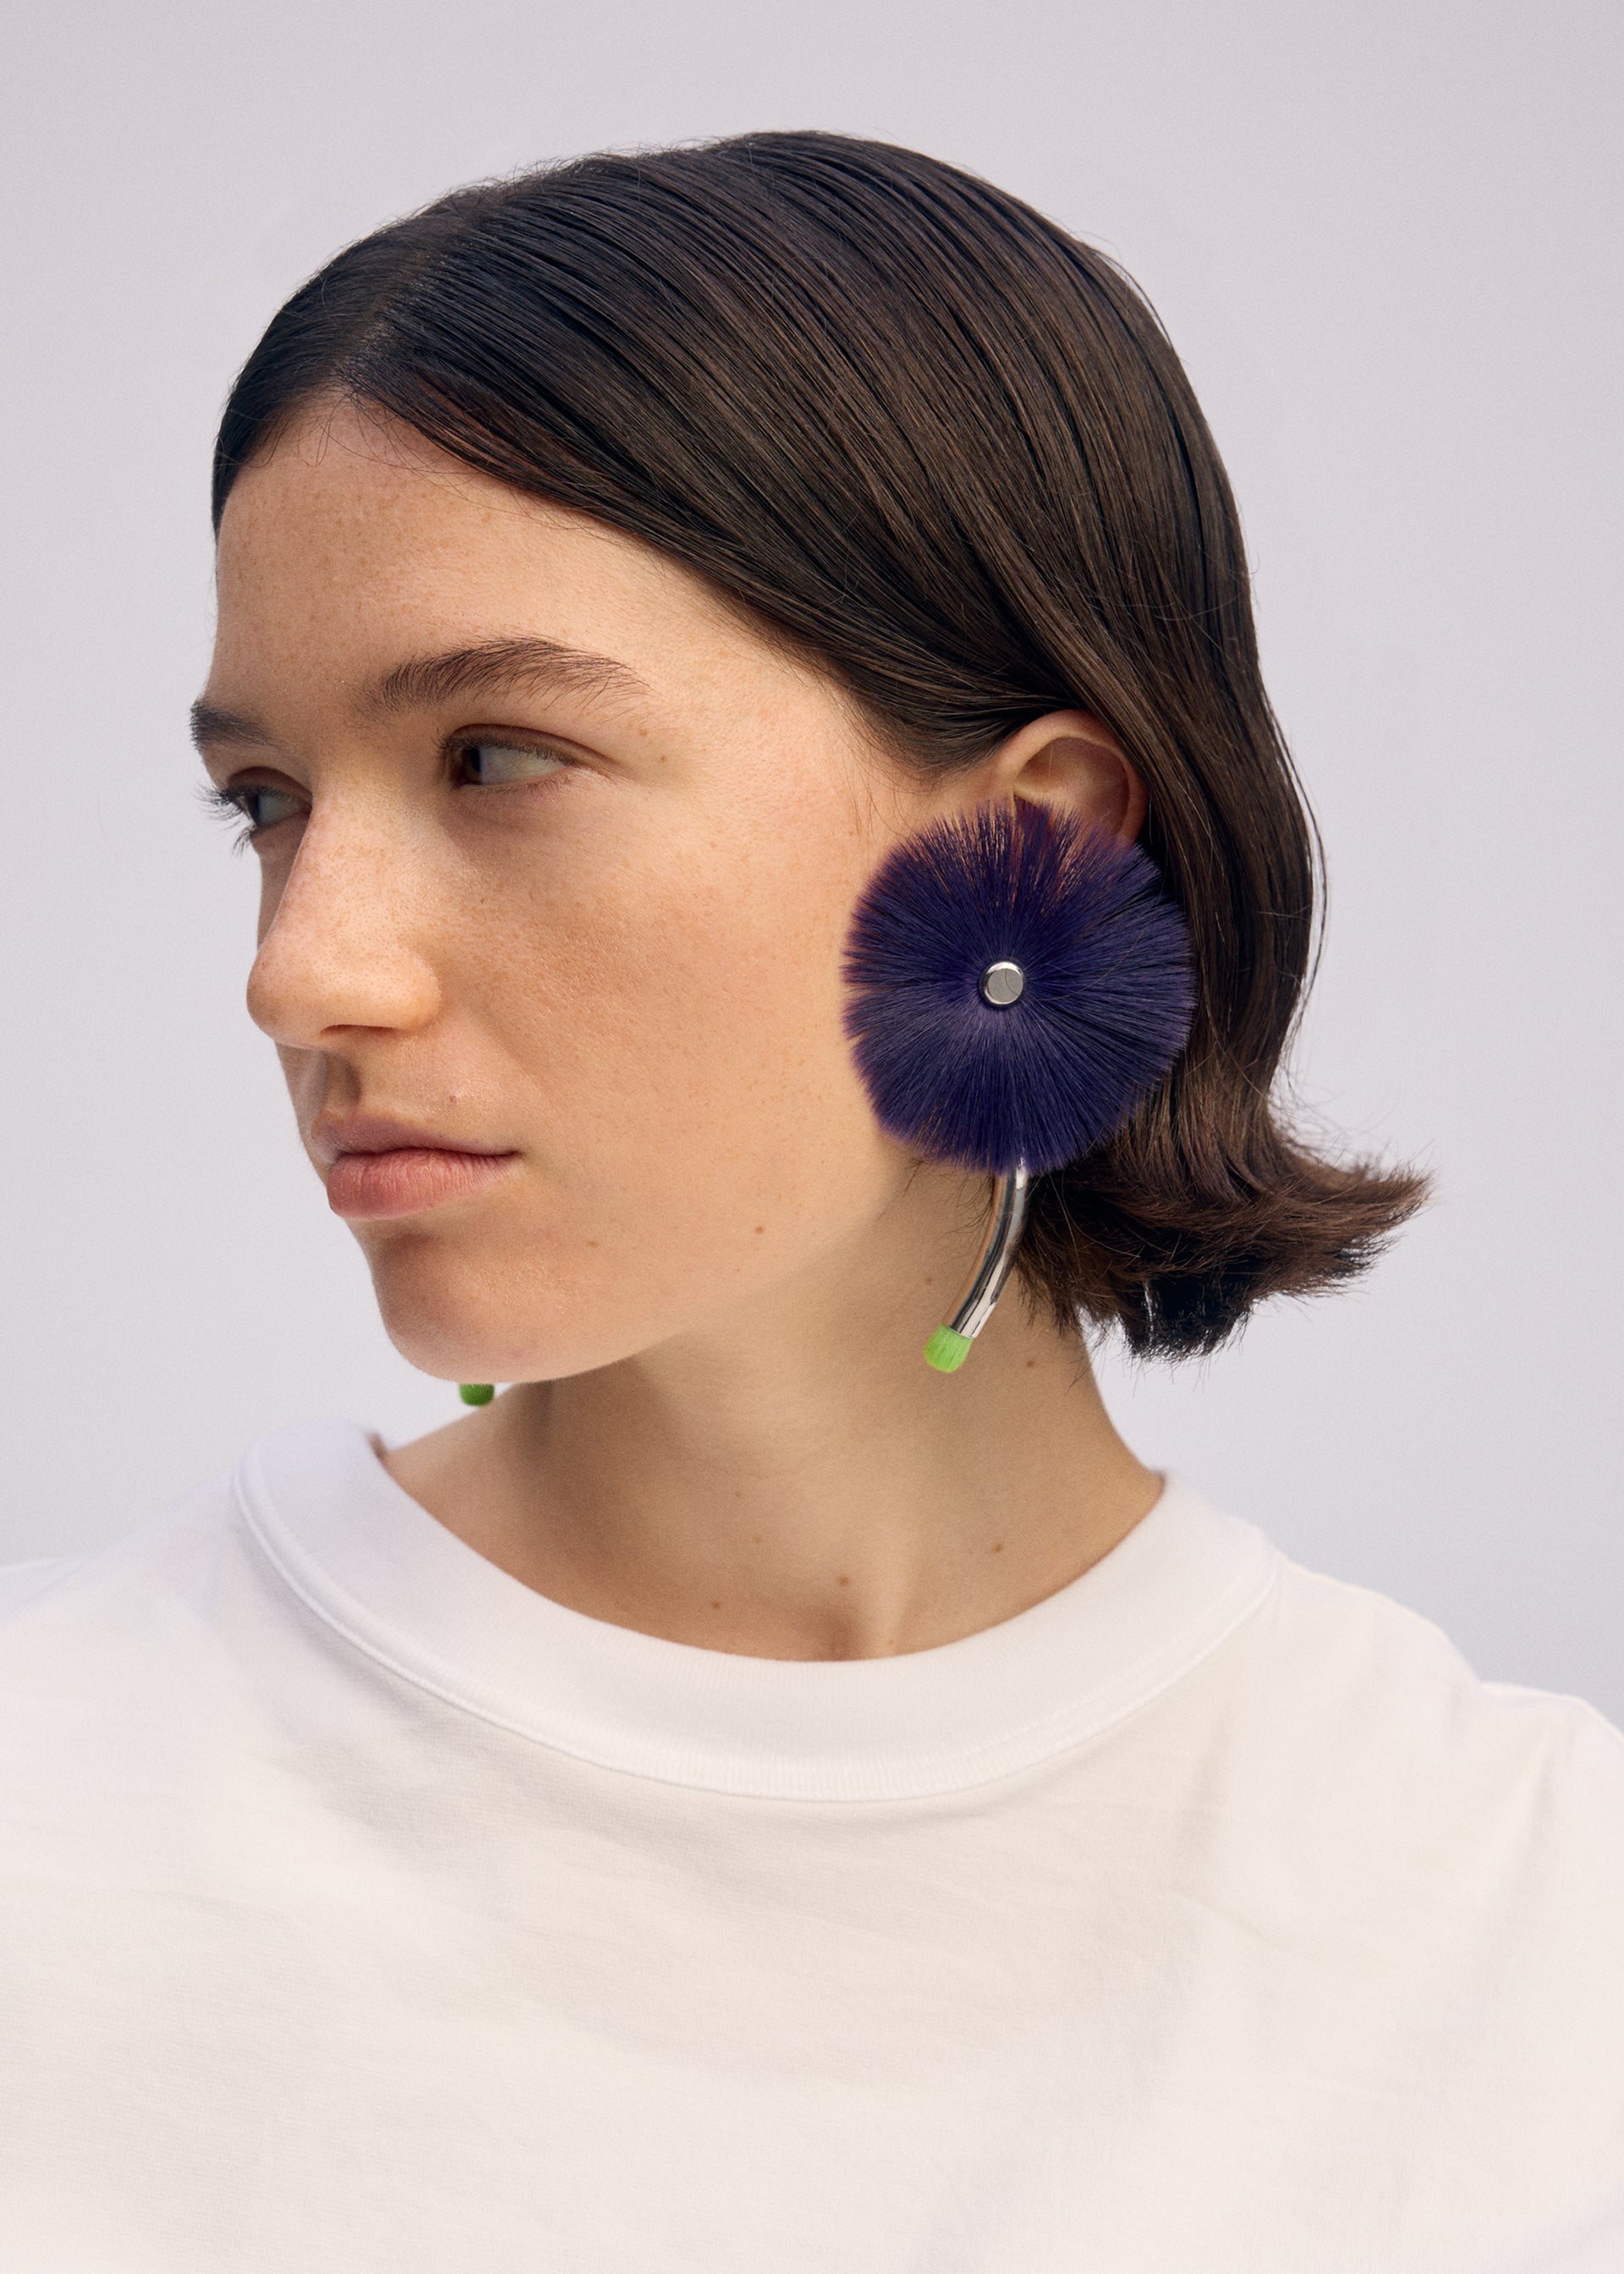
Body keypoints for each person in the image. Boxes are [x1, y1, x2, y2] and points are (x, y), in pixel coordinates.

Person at [2, 130, 1619, 2272]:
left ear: (1030, 852)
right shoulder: (53, 1813)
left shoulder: (1530, 1931)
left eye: (495, 756)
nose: (302, 966)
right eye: (266, 806)